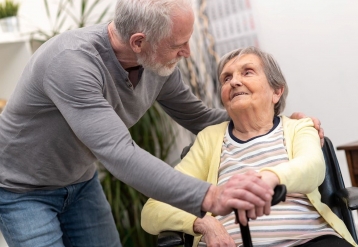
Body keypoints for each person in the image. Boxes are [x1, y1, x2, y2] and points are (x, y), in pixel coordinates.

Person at [0, 0, 322, 247]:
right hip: (22, 189)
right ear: (139, 42)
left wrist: (275, 120)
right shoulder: (70, 63)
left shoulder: (156, 62)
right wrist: (210, 198)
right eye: (178, 44)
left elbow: (198, 117)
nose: (187, 51)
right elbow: (119, 153)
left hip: (80, 182)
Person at [141, 46, 356, 247]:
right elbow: (154, 208)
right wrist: (204, 223)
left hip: (309, 239)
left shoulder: (299, 127)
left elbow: (313, 168)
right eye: (226, 78)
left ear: (277, 91)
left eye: (247, 72)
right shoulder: (209, 139)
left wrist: (270, 179)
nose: (234, 82)